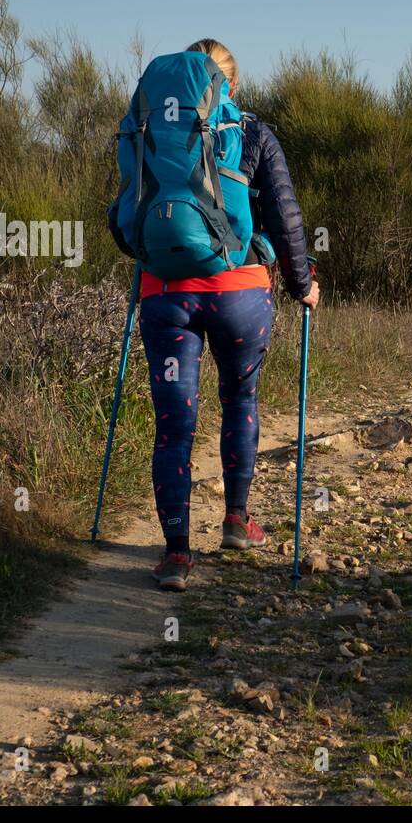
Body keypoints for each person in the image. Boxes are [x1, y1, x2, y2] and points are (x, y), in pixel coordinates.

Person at [134, 38, 319, 591]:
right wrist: (303, 284)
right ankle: (237, 521)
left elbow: (129, 206)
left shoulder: (151, 127)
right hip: (240, 294)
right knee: (240, 399)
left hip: (166, 294)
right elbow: (284, 216)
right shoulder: (253, 132)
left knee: (173, 426)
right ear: (230, 85)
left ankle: (176, 554)